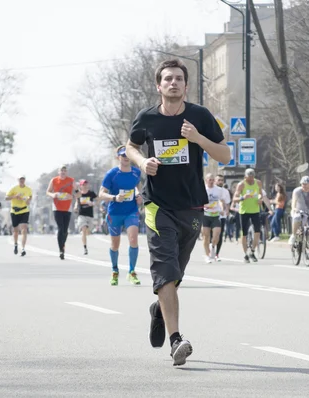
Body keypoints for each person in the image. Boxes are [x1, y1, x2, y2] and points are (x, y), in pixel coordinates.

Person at [125, 59, 230, 366]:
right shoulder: (147, 118)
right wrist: (143, 163)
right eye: (167, 79)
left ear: (186, 86)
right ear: (159, 86)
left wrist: (198, 138)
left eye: (179, 79)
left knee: (176, 273)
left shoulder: (200, 116)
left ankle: (159, 309)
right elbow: (130, 147)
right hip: (157, 205)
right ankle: (176, 340)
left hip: (192, 206)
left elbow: (225, 154)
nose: (173, 83)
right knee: (165, 269)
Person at [99, 146, 143, 286]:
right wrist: (114, 197)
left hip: (131, 211)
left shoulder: (136, 173)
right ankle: (115, 270)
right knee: (115, 244)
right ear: (118, 157)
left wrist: (139, 196)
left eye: (127, 155)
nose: (125, 157)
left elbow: (138, 188)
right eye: (122, 155)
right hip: (115, 213)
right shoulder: (112, 174)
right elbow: (101, 194)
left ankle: (132, 271)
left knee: (133, 238)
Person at [233, 168, 273, 263]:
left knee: (257, 232)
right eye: (248, 178)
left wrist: (260, 200)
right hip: (244, 211)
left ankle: (252, 251)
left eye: (252, 177)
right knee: (244, 234)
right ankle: (246, 254)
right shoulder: (241, 185)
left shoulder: (258, 183)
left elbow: (260, 194)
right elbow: (235, 198)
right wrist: (243, 197)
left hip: (255, 210)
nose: (251, 180)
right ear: (245, 177)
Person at [46, 165, 75, 260]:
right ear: (58, 172)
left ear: (67, 172)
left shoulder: (71, 180)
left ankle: (62, 245)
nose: (63, 172)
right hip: (57, 207)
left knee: (65, 231)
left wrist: (72, 196)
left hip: (67, 207)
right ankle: (61, 250)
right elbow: (48, 192)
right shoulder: (54, 180)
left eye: (65, 171)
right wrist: (53, 195)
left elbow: (78, 193)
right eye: (61, 171)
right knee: (60, 228)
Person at [6, 176, 32, 256]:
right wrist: (15, 196)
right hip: (14, 211)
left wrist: (28, 200)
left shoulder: (28, 189)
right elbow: (6, 197)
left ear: (25, 180)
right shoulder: (14, 188)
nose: (22, 181)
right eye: (20, 179)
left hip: (24, 210)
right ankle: (16, 244)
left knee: (24, 229)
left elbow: (30, 199)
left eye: (23, 179)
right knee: (16, 230)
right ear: (18, 180)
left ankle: (23, 248)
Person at [202, 173, 225, 263]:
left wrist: (222, 208)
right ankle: (207, 256)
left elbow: (221, 201)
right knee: (206, 236)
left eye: (212, 180)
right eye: (209, 180)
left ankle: (212, 246)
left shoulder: (219, 190)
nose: (211, 181)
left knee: (216, 235)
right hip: (205, 215)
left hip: (215, 215)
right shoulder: (203, 189)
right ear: (206, 180)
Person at [74, 179, 98, 255]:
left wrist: (93, 203)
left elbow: (98, 200)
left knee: (88, 231)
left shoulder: (91, 193)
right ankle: (85, 248)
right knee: (84, 229)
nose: (84, 186)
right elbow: (77, 202)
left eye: (86, 184)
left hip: (90, 215)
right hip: (81, 214)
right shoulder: (79, 194)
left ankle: (85, 231)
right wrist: (75, 207)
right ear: (80, 186)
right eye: (83, 185)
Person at [212, 175, 231, 260]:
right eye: (218, 180)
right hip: (211, 214)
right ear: (215, 181)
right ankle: (210, 250)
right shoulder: (212, 189)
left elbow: (227, 202)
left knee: (220, 235)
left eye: (222, 180)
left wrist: (227, 211)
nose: (220, 182)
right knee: (212, 235)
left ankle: (217, 254)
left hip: (221, 216)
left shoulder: (225, 191)